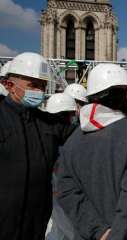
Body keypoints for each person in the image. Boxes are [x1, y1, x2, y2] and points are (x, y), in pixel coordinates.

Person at [56, 63, 127, 240]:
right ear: (117, 96)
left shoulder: (72, 141)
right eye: (126, 93)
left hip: (88, 234)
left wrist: (98, 231)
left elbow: (66, 193)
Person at [0, 52, 73, 240]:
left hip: (36, 223)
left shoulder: (48, 123)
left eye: (43, 85)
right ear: (9, 85)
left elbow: (82, 136)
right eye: (33, 85)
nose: (39, 91)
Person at [44, 93, 78, 240]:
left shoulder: (42, 135)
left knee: (59, 230)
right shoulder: (73, 136)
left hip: (53, 195)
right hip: (64, 195)